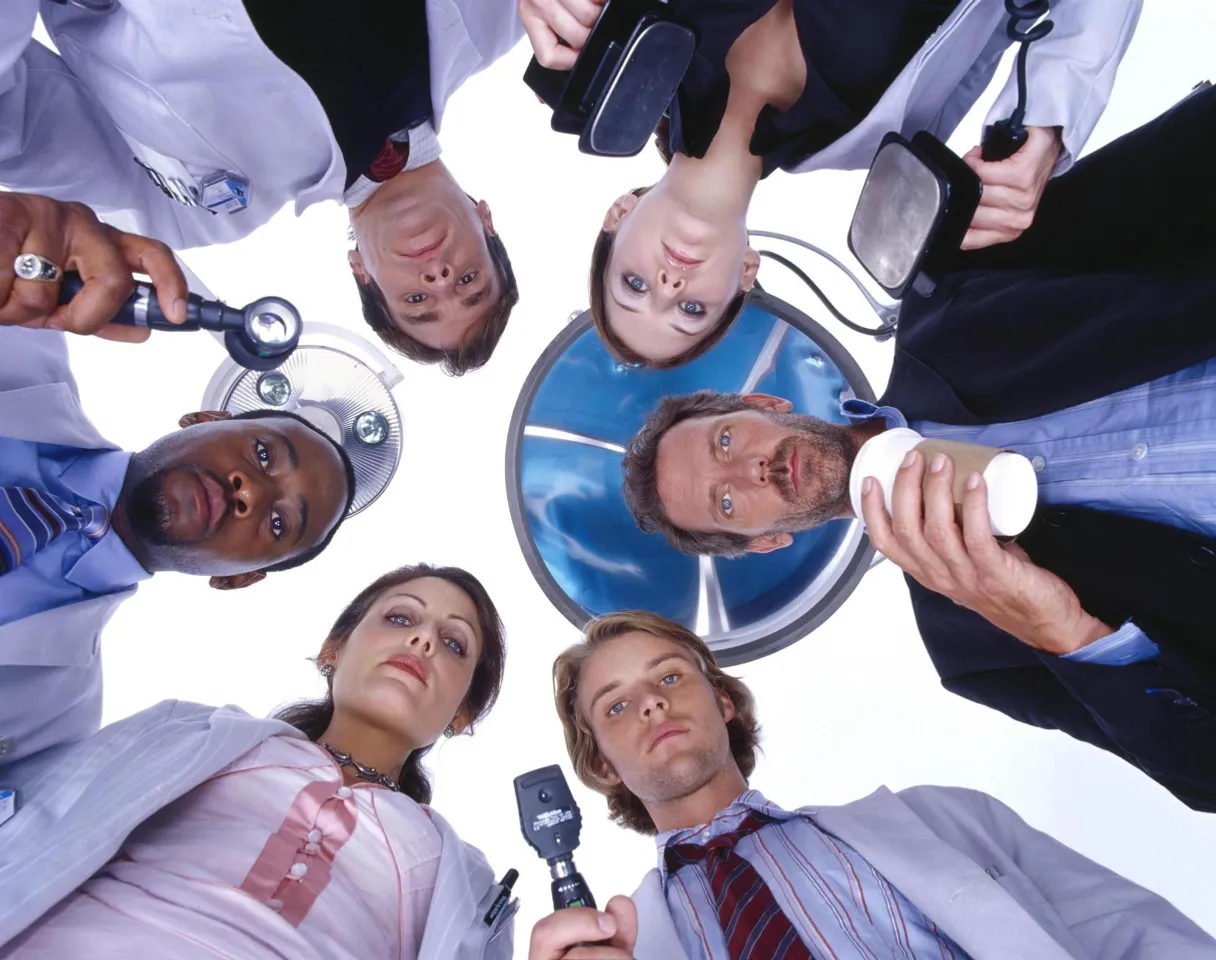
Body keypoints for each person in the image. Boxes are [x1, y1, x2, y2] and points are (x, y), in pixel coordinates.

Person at [618, 87, 1216, 812]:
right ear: (768, 539)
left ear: (765, 405)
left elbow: (1173, 173)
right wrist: (1066, 632)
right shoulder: (971, 642)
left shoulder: (951, 296)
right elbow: (1203, 772)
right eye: (726, 499)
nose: (753, 468)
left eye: (725, 440)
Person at [528, 611, 1216, 959]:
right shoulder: (618, 945)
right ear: (603, 767)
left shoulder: (945, 820)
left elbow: (1134, 935)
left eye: (670, 675)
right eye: (616, 706)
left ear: (725, 702)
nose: (650, 702)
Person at [517, 0, 1140, 367]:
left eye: (633, 285)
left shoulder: (609, 31)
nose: (669, 282)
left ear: (619, 215)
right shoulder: (884, 130)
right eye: (689, 308)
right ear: (746, 275)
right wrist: (1052, 121)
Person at [0, 198, 357, 769]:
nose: (251, 492)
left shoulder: (53, 722)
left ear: (239, 579)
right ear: (205, 419)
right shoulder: (20, 327)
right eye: (263, 453)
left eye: (278, 522)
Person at [0, 563, 513, 958]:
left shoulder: (467, 882)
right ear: (333, 649)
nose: (422, 640)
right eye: (400, 617)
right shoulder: (195, 733)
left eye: (452, 644)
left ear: (462, 713)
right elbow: (35, 809)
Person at [0, 0, 522, 374]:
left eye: (415, 299)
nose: (438, 276)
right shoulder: (509, 15)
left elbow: (19, 125)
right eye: (469, 280)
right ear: (486, 219)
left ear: (361, 271)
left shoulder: (189, 211)